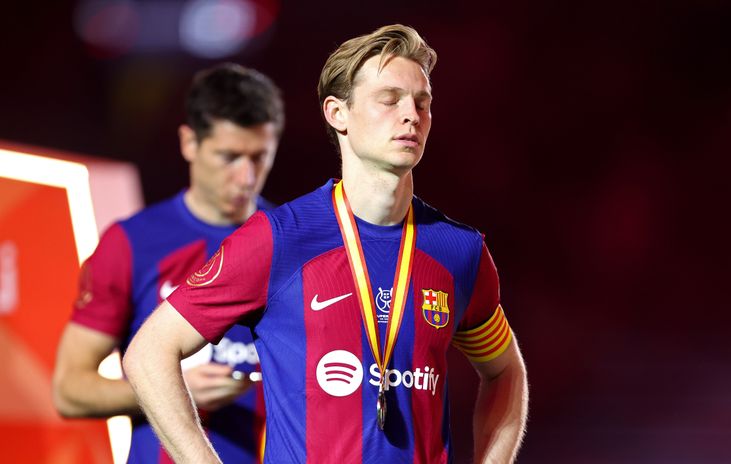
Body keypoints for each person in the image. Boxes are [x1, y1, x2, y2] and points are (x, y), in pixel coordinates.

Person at [123, 24, 528, 463]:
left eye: (423, 102)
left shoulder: (459, 251)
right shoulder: (279, 239)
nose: (411, 114)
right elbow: (149, 353)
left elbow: (505, 371)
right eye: (389, 99)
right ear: (337, 114)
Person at [52, 62, 285, 463]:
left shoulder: (294, 242)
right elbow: (69, 390)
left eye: (259, 157)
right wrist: (173, 390)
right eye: (229, 157)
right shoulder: (132, 242)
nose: (246, 177)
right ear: (189, 142)